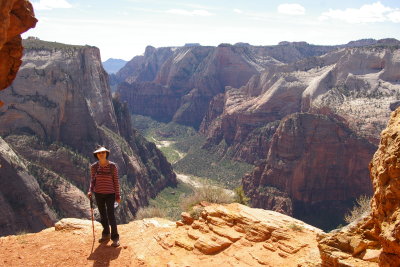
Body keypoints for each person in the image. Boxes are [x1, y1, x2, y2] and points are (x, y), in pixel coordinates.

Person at [87, 146, 121, 247]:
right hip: (98, 194)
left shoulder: (112, 166)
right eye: (99, 153)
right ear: (96, 155)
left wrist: (117, 195)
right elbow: (93, 180)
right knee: (103, 216)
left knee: (111, 215)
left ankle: (115, 238)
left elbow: (116, 181)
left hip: (110, 194)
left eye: (103, 153)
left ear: (106, 154)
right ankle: (106, 234)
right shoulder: (94, 167)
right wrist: (90, 191)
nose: (101, 154)